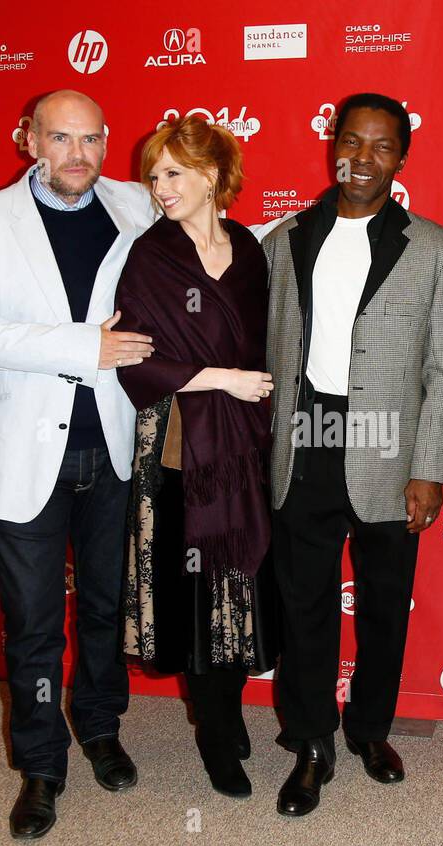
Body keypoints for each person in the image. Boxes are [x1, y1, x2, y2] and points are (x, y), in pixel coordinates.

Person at [0, 90, 154, 840]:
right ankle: (41, 765)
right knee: (33, 624)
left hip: (115, 444)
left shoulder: (138, 204)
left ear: (107, 142)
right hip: (24, 455)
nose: (77, 154)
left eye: (91, 139)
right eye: (60, 138)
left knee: (104, 607)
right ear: (30, 139)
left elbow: (212, 236)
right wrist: (81, 348)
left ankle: (100, 728)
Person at [261, 93, 443, 817]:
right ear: (332, 145)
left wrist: (430, 467)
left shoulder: (434, 247)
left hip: (387, 445)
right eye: (353, 140)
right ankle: (312, 742)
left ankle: (369, 729)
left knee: (384, 605)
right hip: (303, 445)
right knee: (303, 605)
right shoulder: (283, 239)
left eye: (383, 146)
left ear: (401, 158)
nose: (364, 157)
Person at [114, 116, 276, 799]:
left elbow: (270, 339)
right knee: (198, 591)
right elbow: (137, 361)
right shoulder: (152, 256)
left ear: (211, 175)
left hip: (246, 447)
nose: (160, 186)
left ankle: (228, 708)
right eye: (154, 175)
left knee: (242, 583)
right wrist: (222, 379)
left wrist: (256, 396)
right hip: (183, 449)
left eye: (173, 172)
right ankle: (214, 736)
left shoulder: (247, 245)